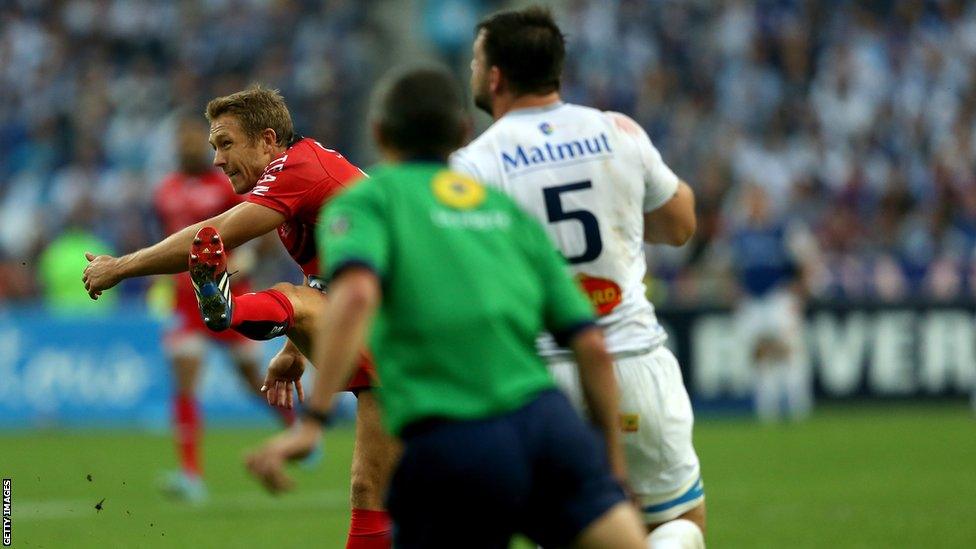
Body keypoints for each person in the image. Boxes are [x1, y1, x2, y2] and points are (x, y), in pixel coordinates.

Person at [251, 66, 646, 549]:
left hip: (454, 436)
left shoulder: (367, 202)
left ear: (378, 133)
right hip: (547, 424)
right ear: (461, 134)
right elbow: (590, 343)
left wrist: (312, 423)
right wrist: (613, 470)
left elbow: (352, 298)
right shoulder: (503, 212)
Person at [82, 87, 397, 548]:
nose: (216, 159)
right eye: (213, 147)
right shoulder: (304, 180)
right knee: (372, 490)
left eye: (226, 144)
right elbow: (330, 278)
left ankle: (231, 309)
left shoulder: (299, 169)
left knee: (424, 491)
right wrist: (293, 349)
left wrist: (119, 267)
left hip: (413, 324)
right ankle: (236, 311)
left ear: (268, 141)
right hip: (386, 319)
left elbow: (214, 234)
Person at [449, 6, 705, 547]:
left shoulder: (474, 163)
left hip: (540, 379)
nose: (472, 72)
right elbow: (681, 224)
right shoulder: (617, 130)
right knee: (678, 524)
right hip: (633, 359)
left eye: (475, 61)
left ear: (495, 76)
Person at [153, 116, 296, 502]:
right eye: (180, 140)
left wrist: (246, 260)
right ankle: (191, 475)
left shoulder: (223, 185)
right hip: (185, 302)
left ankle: (298, 430)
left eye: (191, 140)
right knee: (184, 380)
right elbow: (166, 242)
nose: (186, 147)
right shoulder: (165, 191)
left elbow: (262, 225)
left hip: (230, 296)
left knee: (253, 381)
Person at [729, 184, 814, 423]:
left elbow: (806, 259)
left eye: (760, 200)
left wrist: (801, 290)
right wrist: (734, 292)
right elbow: (731, 267)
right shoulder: (741, 234)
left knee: (790, 349)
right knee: (760, 353)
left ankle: (797, 405)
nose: (756, 206)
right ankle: (768, 409)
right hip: (753, 299)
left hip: (779, 296)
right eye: (752, 201)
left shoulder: (783, 229)